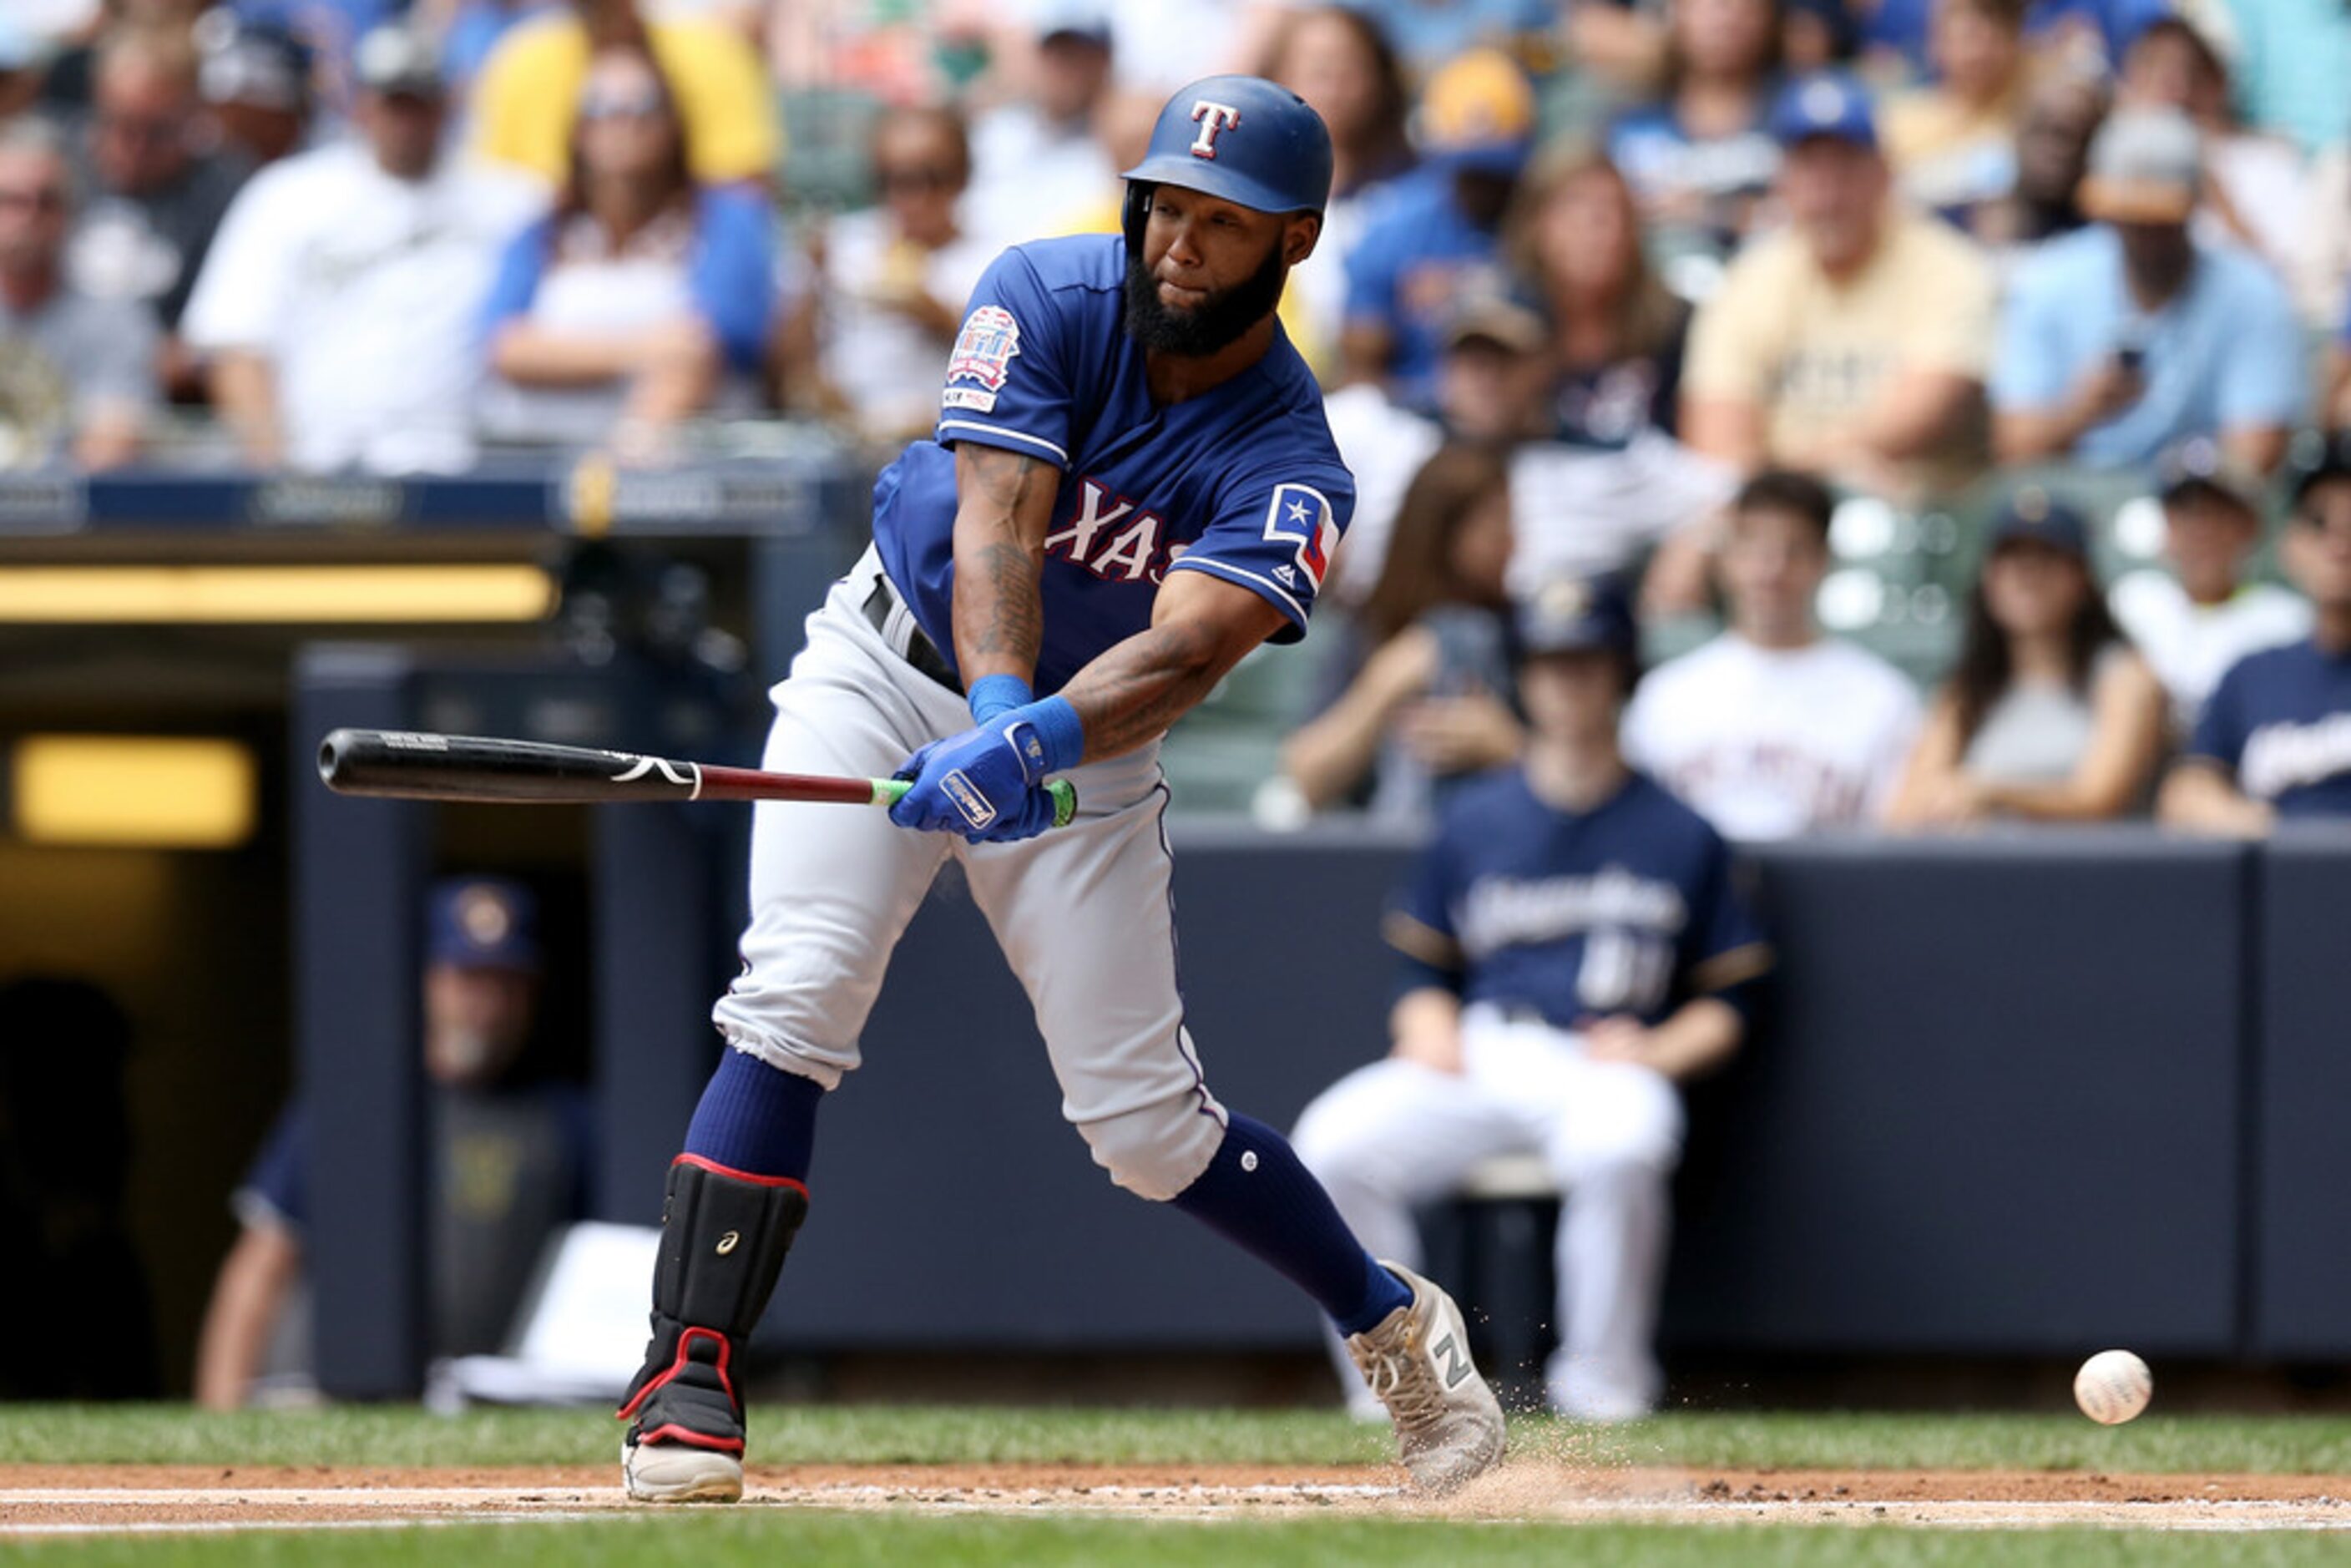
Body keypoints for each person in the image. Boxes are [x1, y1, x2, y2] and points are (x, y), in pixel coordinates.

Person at [613, 76, 1504, 1505]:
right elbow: (997, 523)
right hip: (887, 661)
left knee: (1145, 1129)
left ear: (1297, 243)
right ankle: (686, 1373)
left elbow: (1192, 648)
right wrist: (995, 710)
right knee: (794, 993)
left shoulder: (1295, 457)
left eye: (1224, 224)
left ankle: (1392, 1320)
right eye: (1167, 206)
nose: (1178, 244)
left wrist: (1029, 747)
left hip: (1087, 749)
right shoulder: (1044, 285)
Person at [1292, 574, 1772, 1423]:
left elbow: (1731, 998)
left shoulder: (1678, 828)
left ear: (1620, 671)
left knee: (1623, 1143)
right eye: (1549, 665)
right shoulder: (1473, 818)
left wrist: (1658, 1052)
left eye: (1585, 663)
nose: (1566, 683)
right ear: (1524, 674)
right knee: (1329, 1147)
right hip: (1482, 1050)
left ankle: (1602, 1391)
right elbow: (1421, 972)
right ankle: (1409, 1394)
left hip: (1601, 1058)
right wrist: (1426, 1024)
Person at [195, 878, 593, 1409]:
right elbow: (263, 1262)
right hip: (317, 1392)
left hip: (472, 1402)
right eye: (468, 979)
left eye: (507, 982)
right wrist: (220, 1409)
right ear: (427, 982)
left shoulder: (567, 1120)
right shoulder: (357, 1106)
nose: (487, 1003)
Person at [182, 24, 544, 473]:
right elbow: (236, 344)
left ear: (449, 103)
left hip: (466, 473)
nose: (406, 119)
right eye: (393, 101)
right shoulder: (287, 195)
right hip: (317, 465)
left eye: (420, 101)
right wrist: (276, 477)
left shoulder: (512, 201)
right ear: (360, 104)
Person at [1681, 73, 1996, 503]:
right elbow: (1715, 442)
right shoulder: (1750, 279)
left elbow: (1922, 417)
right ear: (1782, 182)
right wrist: (1821, 471)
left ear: (1884, 173)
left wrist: (1785, 469)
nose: (1828, 195)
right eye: (1810, 170)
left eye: (1846, 168)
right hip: (1779, 514)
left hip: (1918, 508)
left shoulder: (1949, 267)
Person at [477, 45, 771, 457]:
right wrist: (638, 350)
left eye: (644, 105)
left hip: (677, 474)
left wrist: (620, 468)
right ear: (578, 130)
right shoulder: (545, 229)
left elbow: (700, 349)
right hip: (538, 462)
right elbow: (505, 347)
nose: (623, 121)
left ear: (673, 123)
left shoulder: (725, 219)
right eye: (601, 107)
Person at [1990, 107, 2306, 478]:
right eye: (2130, 217)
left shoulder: (2253, 293)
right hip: (2073, 507)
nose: (2146, 237)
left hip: (2198, 509)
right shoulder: (2047, 282)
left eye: (2161, 220)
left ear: (2192, 208)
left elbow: (2255, 456)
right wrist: (2081, 412)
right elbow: (2013, 446)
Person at [1624, 468, 1921, 838]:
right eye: (1754, 548)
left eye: (1793, 551)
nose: (1771, 570)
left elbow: (1894, 844)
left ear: (1822, 562)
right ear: (1726, 558)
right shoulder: (1664, 696)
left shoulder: (1884, 698)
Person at [1885, 488, 2166, 826]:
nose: (2028, 574)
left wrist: (1989, 793)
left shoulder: (2123, 676)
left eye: (2047, 557)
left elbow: (2099, 800)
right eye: (2011, 557)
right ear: (1988, 578)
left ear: (2082, 578)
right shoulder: (1968, 690)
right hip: (1979, 871)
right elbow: (1904, 812)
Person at [1280, 441, 1521, 818]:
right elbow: (1306, 779)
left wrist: (1509, 749)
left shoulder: (1525, 631)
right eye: (1496, 525)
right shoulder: (1366, 627)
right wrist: (1384, 686)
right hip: (1381, 848)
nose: (1513, 543)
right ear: (1442, 533)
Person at [2160, 438, 2351, 829]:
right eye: (2318, 522)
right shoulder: (2252, 675)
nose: (2339, 540)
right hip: (2284, 880)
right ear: (2288, 547)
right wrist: (2256, 828)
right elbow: (2187, 791)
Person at [781, 105, 993, 443]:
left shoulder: (994, 261)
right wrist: (810, 285)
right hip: (848, 440)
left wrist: (932, 314)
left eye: (930, 178)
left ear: (962, 177)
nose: (910, 197)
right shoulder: (842, 245)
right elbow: (788, 368)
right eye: (891, 179)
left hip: (946, 445)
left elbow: (1013, 368)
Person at [1338, 47, 1531, 412]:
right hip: (1412, 413)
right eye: (1469, 171)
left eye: (1496, 171)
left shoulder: (1541, 217)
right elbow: (1361, 364)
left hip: (1516, 418)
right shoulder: (1394, 224)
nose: (1483, 185)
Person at [65, 23, 252, 395]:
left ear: (195, 117)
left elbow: (228, 339)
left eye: (157, 131)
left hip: (170, 414)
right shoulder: (50, 170)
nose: (135, 147)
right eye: (120, 125)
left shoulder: (228, 194)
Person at [2109, 443, 2310, 735]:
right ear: (2165, 528)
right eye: (2185, 513)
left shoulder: (2289, 620)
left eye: (2217, 513)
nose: (2201, 530)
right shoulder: (2131, 602)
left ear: (2249, 525)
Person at [468, 0, 776, 189]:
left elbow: (746, 190)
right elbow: (498, 196)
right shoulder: (523, 57)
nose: (619, 128)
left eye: (641, 108)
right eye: (599, 111)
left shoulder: (714, 53)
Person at [1511, 141, 1692, 447]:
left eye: (1612, 211)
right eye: (1576, 208)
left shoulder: (1672, 324)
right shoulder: (1505, 321)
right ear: (1537, 225)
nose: (1596, 229)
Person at [0, 116, 156, 470]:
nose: (27, 217)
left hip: (69, 520)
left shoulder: (117, 321)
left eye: (46, 201)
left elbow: (114, 441)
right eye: (10, 200)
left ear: (70, 214)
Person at [1267, 4, 1415, 375]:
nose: (1333, 84)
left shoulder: (1419, 194)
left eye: (1349, 67)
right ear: (1281, 76)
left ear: (1380, 79)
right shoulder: (1251, 195)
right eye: (1317, 69)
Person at [2113, 12, 2306, 286]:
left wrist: (2209, 188)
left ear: (2217, 84)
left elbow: (2277, 281)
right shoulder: (2103, 157)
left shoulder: (2267, 163)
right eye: (2152, 68)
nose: (2173, 88)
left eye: (2188, 71)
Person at [1605, 0, 1784, 268]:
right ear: (1677, 13)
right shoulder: (1631, 128)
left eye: (1743, 6)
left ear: (1767, 18)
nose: (1726, 19)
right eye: (1712, 5)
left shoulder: (1801, 118)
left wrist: (1714, 211)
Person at [963, 7, 1117, 255]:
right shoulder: (996, 132)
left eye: (1078, 56)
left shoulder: (1113, 151)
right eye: (1055, 53)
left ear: (1104, 62)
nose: (1064, 68)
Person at [1880, 0, 2030, 227]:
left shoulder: (2033, 107)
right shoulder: (1900, 120)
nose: (1980, 53)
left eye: (1993, 38)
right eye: (1968, 38)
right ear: (1937, 44)